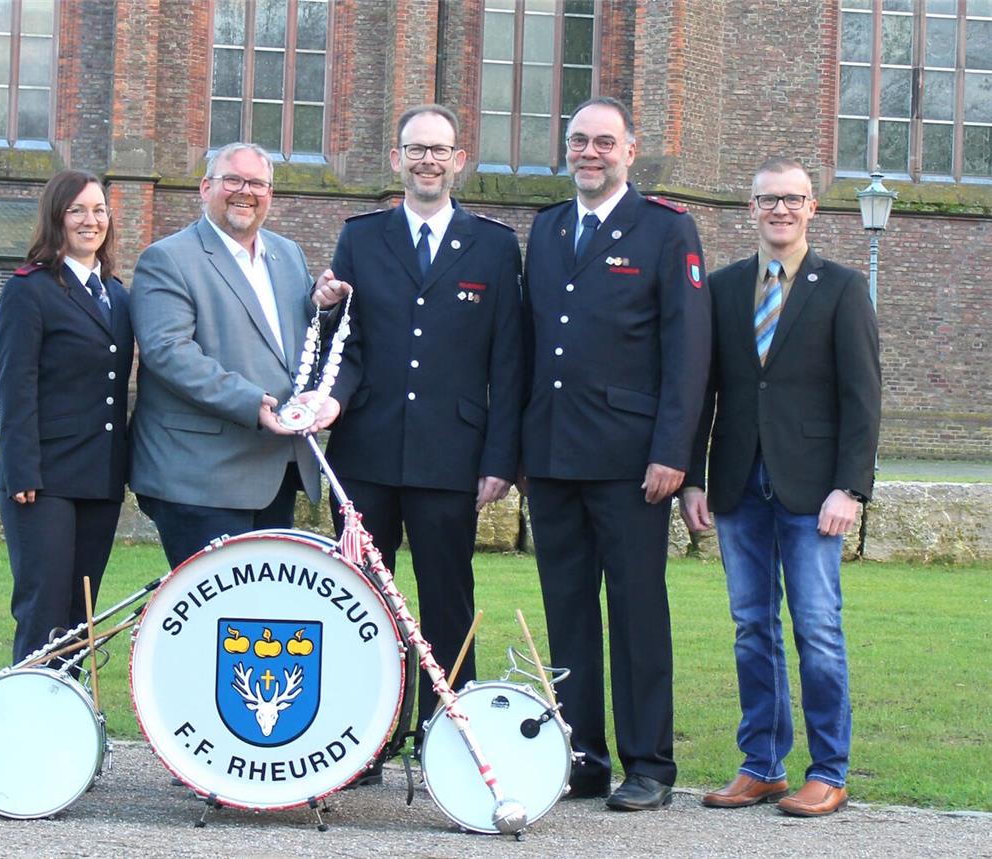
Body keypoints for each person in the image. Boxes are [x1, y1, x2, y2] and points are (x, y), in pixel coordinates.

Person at [521, 96, 711, 810]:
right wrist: (518, 451)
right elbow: (530, 347)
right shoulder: (546, 229)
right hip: (553, 456)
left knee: (636, 612)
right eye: (578, 141)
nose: (590, 153)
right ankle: (583, 755)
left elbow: (687, 353)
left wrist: (674, 452)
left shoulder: (666, 229)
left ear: (630, 151)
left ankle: (650, 763)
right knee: (566, 610)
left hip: (635, 463)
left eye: (605, 141)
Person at [680, 156, 881, 817]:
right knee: (750, 627)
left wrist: (849, 488)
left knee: (818, 628)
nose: (781, 210)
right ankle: (762, 765)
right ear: (751, 207)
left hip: (813, 491)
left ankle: (828, 769)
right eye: (769, 199)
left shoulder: (843, 288)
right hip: (740, 486)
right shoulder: (725, 286)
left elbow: (862, 398)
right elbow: (702, 392)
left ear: (812, 207)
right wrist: (696, 478)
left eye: (793, 199)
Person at [318, 104, 523, 740]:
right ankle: (360, 740)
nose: (427, 160)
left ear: (458, 161)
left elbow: (508, 360)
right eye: (415, 149)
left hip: (450, 455)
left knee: (446, 603)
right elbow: (344, 343)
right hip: (365, 453)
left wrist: (499, 458)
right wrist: (323, 313)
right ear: (396, 160)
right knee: (360, 603)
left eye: (439, 150)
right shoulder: (360, 236)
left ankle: (447, 739)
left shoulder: (492, 245)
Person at [129, 143, 341, 570]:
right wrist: (250, 401)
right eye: (233, 180)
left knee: (258, 622)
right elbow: (168, 351)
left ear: (270, 195)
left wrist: (323, 310)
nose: (246, 191)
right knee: (213, 622)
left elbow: (285, 345)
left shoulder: (287, 255)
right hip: (200, 478)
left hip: (274, 472)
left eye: (258, 183)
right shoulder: (168, 258)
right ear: (205, 187)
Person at [0, 169, 134, 665]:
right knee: (43, 610)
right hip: (44, 480)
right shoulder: (29, 290)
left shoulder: (117, 295)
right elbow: (16, 388)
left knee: (81, 616)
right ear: (57, 217)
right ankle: (26, 729)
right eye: (77, 210)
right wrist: (21, 470)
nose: (89, 220)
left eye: (98, 210)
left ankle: (67, 730)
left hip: (99, 479)